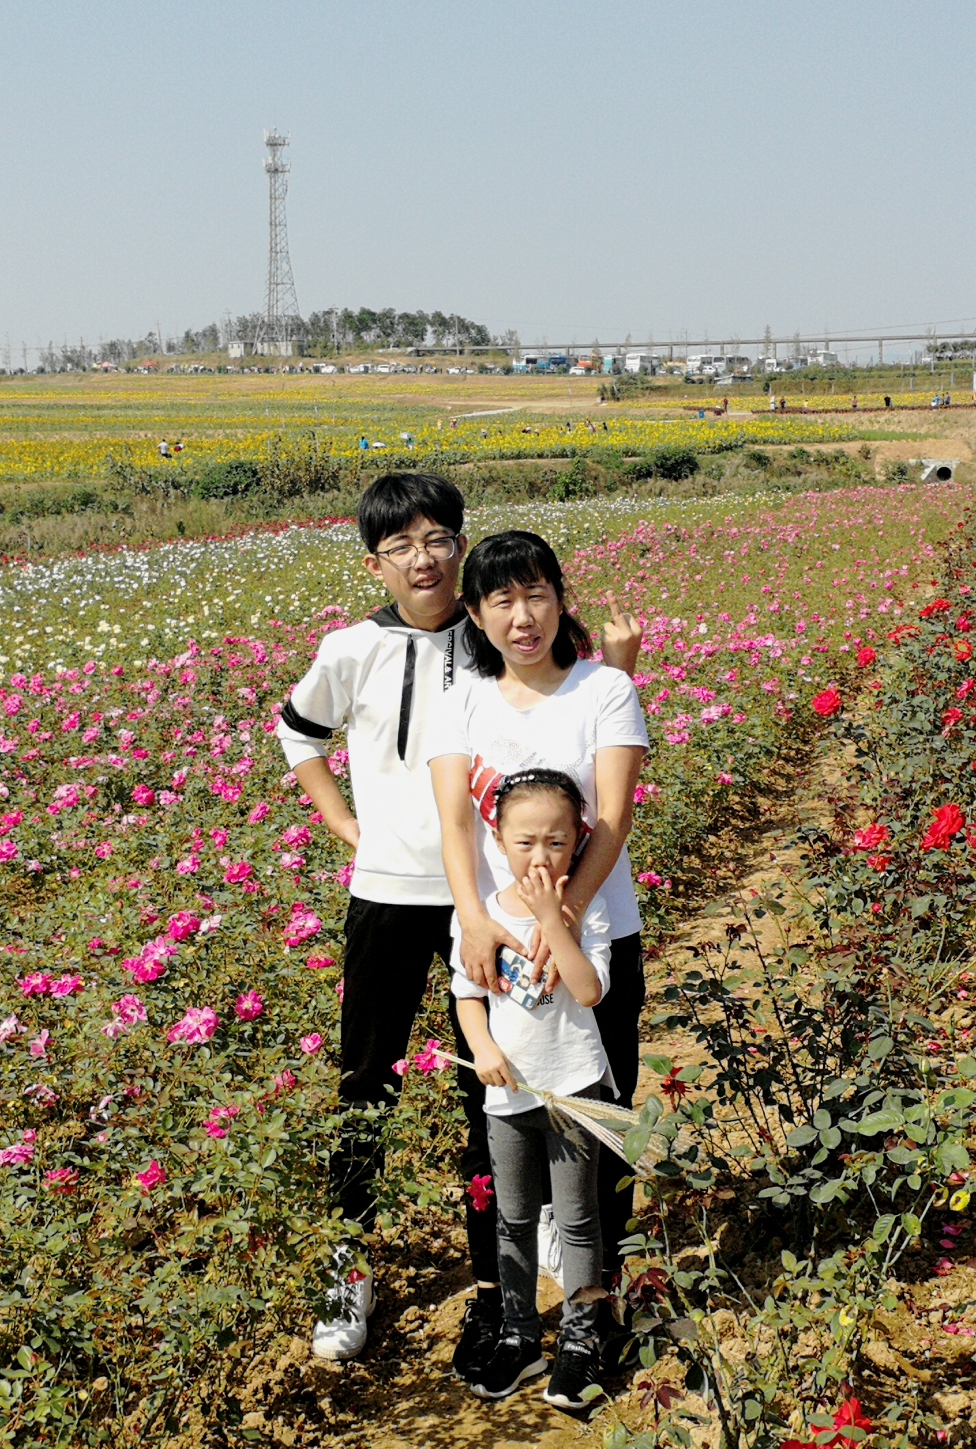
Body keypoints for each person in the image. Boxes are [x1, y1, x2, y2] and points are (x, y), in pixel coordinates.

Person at [278, 475, 642, 1366]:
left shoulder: (497, 655)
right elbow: (297, 732)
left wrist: (620, 667)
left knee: (504, 1092)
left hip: (500, 905)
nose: (424, 558)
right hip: (398, 897)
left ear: (464, 555)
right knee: (367, 1081)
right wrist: (345, 826)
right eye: (402, 545)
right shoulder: (355, 646)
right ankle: (348, 1265)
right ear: (378, 561)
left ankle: (523, 1281)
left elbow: (578, 734)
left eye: (439, 539)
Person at [428, 530, 651, 1361]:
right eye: (500, 601)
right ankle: (513, 1313)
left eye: (536, 595)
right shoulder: (464, 703)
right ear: (478, 616)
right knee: (509, 1120)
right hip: (496, 950)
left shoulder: (604, 690)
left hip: (595, 937)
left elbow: (615, 819)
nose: (522, 618)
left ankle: (598, 1311)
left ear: (561, 597)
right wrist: (476, 921)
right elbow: (454, 825)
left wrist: (566, 921)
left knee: (597, 1118)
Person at [449, 769, 616, 1408]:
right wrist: (483, 1048)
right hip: (509, 1100)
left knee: (577, 1222)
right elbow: (468, 997)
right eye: (525, 842)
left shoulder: (588, 907)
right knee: (513, 1221)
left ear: (579, 840)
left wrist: (556, 917)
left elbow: (588, 989)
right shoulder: (480, 918)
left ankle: (579, 1343)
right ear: (497, 840)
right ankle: (520, 1338)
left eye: (556, 841)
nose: (541, 856)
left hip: (575, 1088)